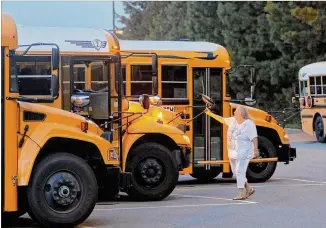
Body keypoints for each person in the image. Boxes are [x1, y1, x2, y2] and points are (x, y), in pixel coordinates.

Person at [207, 105, 259, 200]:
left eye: (236, 112)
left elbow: (254, 137)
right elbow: (222, 120)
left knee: (240, 171)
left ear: (242, 114)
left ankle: (241, 193)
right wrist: (210, 113)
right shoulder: (233, 120)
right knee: (236, 172)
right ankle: (249, 188)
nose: (234, 112)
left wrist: (256, 149)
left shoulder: (249, 124)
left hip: (244, 151)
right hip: (233, 151)